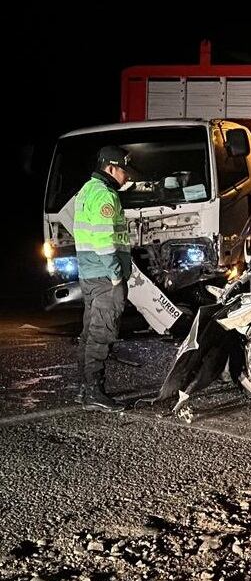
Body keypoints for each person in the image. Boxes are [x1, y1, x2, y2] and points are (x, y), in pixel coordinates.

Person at [73, 145, 133, 413]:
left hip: (89, 274)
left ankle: (85, 389)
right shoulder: (105, 196)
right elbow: (104, 241)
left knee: (89, 333)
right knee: (102, 333)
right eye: (124, 170)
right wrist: (116, 276)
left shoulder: (86, 190)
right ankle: (94, 393)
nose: (127, 176)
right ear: (111, 168)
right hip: (104, 276)